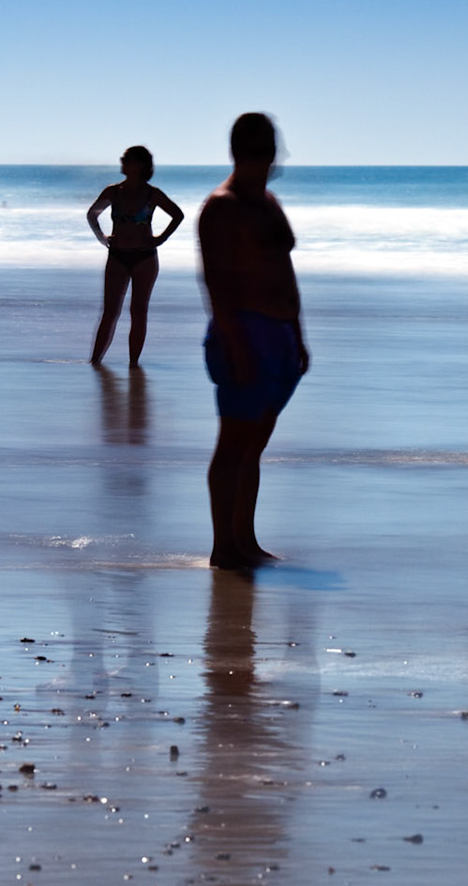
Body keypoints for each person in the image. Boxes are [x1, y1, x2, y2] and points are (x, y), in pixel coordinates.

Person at [198, 114, 307, 569]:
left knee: (255, 445)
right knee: (234, 442)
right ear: (244, 153)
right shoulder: (220, 206)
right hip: (243, 331)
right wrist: (235, 342)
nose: (268, 162)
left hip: (279, 335)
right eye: (261, 153)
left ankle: (246, 539)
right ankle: (224, 546)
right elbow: (215, 283)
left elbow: (285, 269)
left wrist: (297, 334)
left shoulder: (269, 202)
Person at [86, 146, 183, 366]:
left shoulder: (152, 194)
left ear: (139, 165)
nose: (121, 161)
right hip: (117, 256)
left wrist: (161, 238)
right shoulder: (113, 191)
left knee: (138, 311)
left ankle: (133, 364)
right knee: (110, 311)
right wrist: (101, 236)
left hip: (145, 258)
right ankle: (94, 362)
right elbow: (92, 214)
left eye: (126, 159)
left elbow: (178, 215)